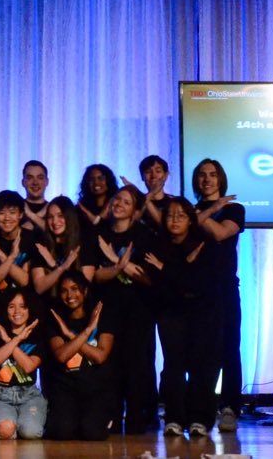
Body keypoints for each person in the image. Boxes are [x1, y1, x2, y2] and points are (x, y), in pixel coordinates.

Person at [145, 197, 220, 437]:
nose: (174, 220)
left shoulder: (204, 244)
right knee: (173, 367)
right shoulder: (157, 245)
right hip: (170, 312)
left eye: (181, 215)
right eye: (170, 215)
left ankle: (201, 419)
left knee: (201, 366)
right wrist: (183, 269)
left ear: (190, 220)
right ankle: (174, 418)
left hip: (202, 312)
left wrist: (167, 269)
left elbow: (198, 283)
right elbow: (158, 286)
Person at [92, 184, 157, 434]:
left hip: (139, 311)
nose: (119, 204)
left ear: (135, 210)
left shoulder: (144, 236)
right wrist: (117, 266)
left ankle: (139, 418)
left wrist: (117, 263)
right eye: (117, 199)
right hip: (107, 309)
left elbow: (149, 278)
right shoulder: (99, 233)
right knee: (110, 365)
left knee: (138, 365)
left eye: (126, 202)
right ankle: (112, 416)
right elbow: (95, 276)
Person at [190, 159, 247, 430]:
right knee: (199, 352)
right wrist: (209, 211)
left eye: (212, 175)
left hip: (224, 288)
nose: (207, 179)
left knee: (229, 349)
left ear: (220, 178)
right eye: (202, 175)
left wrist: (204, 214)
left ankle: (230, 408)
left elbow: (222, 232)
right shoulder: (189, 210)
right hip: (194, 291)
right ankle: (200, 410)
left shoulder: (234, 208)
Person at [45, 274, 115, 441]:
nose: (69, 296)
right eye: (64, 291)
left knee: (93, 434)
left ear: (84, 291)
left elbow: (100, 356)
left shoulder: (101, 316)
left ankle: (100, 419)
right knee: (62, 433)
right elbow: (62, 355)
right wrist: (86, 332)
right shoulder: (55, 320)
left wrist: (70, 335)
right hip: (65, 389)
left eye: (74, 289)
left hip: (95, 389)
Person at [0, 290, 47, 440]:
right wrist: (13, 339)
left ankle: (23, 423)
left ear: (29, 309)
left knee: (30, 432)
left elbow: (29, 366)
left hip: (29, 396)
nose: (17, 311)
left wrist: (11, 340)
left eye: (23, 306)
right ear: (5, 309)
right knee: (6, 430)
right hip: (1, 396)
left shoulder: (38, 337)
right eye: (11, 306)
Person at [29, 197, 95, 296]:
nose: (55, 221)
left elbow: (82, 288)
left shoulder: (84, 243)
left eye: (60, 216)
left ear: (70, 217)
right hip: (48, 304)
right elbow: (39, 287)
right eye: (50, 217)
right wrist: (61, 268)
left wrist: (53, 265)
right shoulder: (42, 246)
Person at [0, 191, 35, 293]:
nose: (7, 218)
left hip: (24, 299)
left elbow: (24, 281)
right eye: (1, 213)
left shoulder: (31, 239)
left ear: (21, 214)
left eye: (12, 212)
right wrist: (10, 257)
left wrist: (1, 255)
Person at [131, 155, 174, 229]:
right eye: (148, 172)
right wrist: (150, 195)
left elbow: (167, 227)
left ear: (165, 175)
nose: (153, 175)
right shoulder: (134, 202)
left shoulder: (175, 202)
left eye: (158, 171)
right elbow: (130, 224)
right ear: (142, 176)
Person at [76, 164, 116, 230]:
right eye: (91, 179)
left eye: (101, 178)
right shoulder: (81, 210)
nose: (96, 183)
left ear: (108, 181)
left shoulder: (116, 207)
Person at [20, 161, 49, 231]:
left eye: (40, 178)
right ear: (23, 182)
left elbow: (54, 235)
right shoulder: (15, 208)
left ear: (47, 181)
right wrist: (40, 214)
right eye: (30, 178)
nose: (35, 182)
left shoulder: (54, 210)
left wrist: (31, 215)